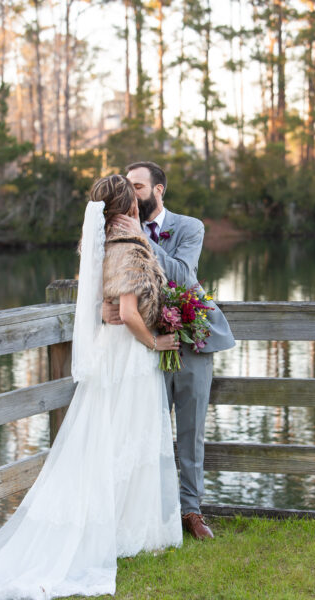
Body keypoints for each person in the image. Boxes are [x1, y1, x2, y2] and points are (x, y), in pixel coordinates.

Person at [0, 175, 182, 600]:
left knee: (112, 439)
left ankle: (117, 527)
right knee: (129, 439)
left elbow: (106, 300)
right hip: (130, 354)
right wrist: (157, 341)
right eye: (133, 199)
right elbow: (129, 312)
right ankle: (124, 531)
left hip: (114, 352)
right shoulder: (127, 248)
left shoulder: (102, 245)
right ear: (129, 207)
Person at [103, 161, 235, 540]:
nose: (131, 193)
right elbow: (107, 281)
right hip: (144, 346)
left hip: (190, 340)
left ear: (159, 190)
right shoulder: (116, 232)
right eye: (127, 186)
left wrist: (142, 240)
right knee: (149, 429)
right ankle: (155, 512)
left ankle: (192, 511)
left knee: (190, 431)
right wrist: (106, 307)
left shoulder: (190, 227)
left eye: (139, 186)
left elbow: (182, 275)